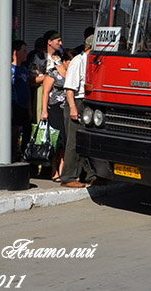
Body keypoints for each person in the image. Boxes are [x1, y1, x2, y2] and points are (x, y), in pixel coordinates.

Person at [59, 37, 90, 188]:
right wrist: (73, 107)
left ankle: (89, 174)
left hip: (88, 103)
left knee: (87, 140)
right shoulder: (78, 61)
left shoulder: (93, 61)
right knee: (74, 141)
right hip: (77, 102)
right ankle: (68, 177)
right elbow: (69, 88)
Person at [39, 43, 71, 181]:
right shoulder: (53, 72)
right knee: (55, 141)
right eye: (69, 61)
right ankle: (53, 170)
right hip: (54, 109)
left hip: (66, 109)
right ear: (64, 60)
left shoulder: (72, 74)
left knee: (65, 141)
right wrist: (44, 111)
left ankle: (62, 169)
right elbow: (45, 93)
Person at [10, 40, 32, 158]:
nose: (26, 53)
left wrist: (29, 107)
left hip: (25, 106)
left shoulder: (24, 69)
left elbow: (27, 88)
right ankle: (13, 154)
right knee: (14, 131)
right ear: (15, 52)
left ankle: (23, 153)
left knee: (27, 132)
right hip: (15, 106)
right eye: (24, 51)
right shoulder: (10, 69)